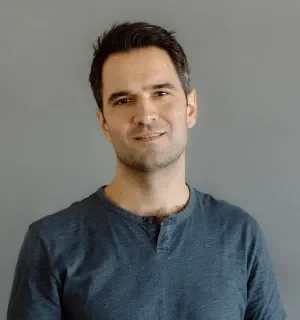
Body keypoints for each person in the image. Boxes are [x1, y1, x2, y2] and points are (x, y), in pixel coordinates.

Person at [7, 21, 286, 320]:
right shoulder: (52, 243)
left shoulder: (239, 234)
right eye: (124, 100)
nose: (145, 115)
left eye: (161, 93)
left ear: (190, 108)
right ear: (103, 123)